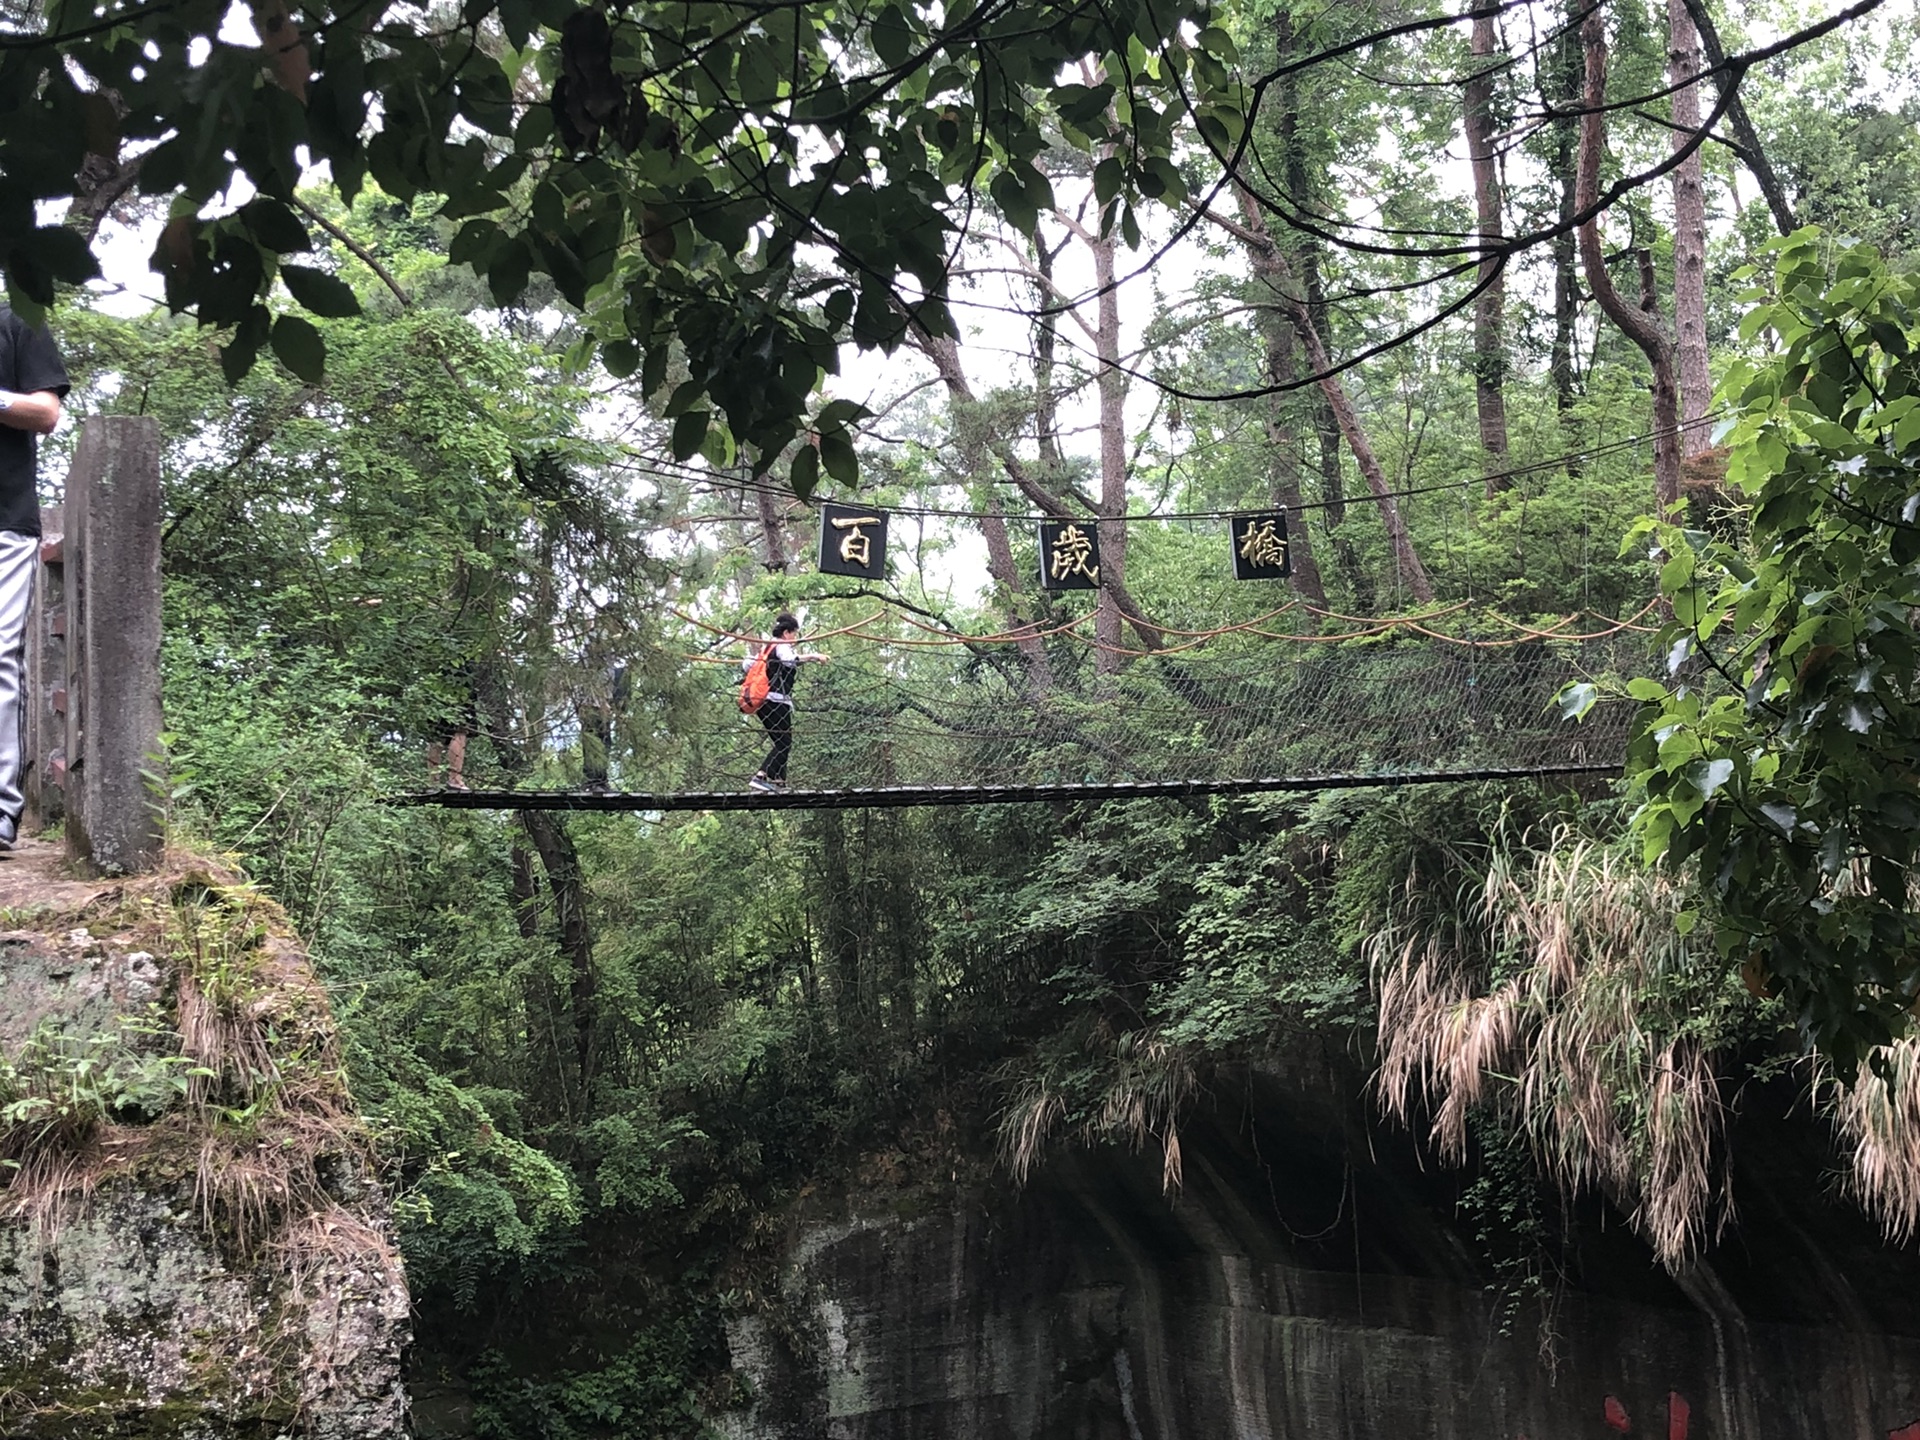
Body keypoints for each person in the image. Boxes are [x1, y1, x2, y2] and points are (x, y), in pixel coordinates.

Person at [0, 304, 70, 850]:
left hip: (4, 521)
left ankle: (0, 810)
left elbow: (46, 413)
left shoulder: (16, 321)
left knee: (0, 654)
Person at [743, 613, 827, 792]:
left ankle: (779, 781)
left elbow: (747, 665)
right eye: (794, 634)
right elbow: (790, 661)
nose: (794, 637)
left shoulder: (766, 648)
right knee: (784, 743)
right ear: (786, 632)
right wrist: (814, 656)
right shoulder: (781, 645)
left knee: (781, 741)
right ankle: (761, 775)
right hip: (776, 701)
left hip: (762, 703)